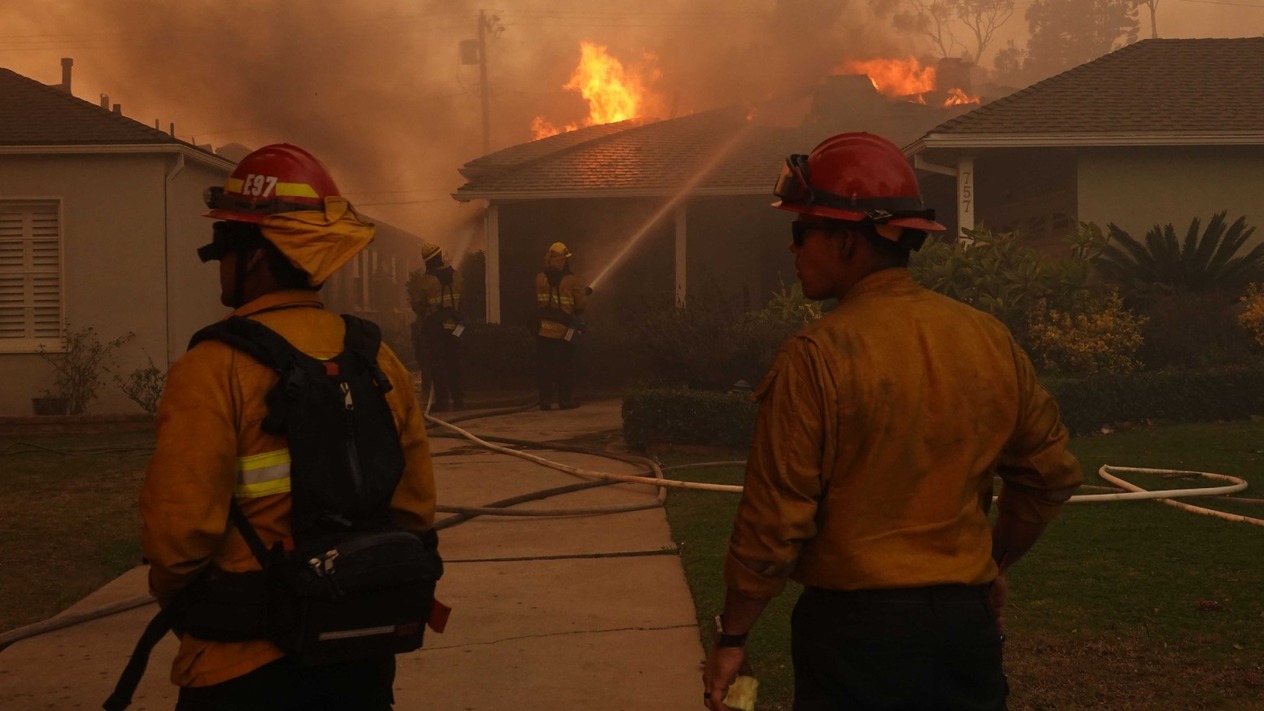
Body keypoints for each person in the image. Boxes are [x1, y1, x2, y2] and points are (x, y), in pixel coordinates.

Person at [701, 132, 1083, 711]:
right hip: (965, 629)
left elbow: (775, 520)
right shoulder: (988, 338)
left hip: (855, 635)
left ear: (847, 242)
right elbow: (1049, 475)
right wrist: (990, 565)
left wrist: (733, 637)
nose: (791, 248)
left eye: (801, 231)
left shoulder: (816, 356)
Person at [139, 144, 437, 710]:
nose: (217, 259)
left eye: (225, 238)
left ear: (255, 255)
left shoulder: (211, 368)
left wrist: (187, 601)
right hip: (358, 659)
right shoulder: (376, 360)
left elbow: (178, 539)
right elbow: (416, 510)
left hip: (241, 665)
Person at [408, 241, 465, 411]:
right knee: (455, 362)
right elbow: (463, 299)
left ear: (427, 261)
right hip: (457, 327)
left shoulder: (424, 282)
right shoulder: (457, 276)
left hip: (436, 329)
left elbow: (417, 306)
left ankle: (442, 402)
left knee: (437, 365)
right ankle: (458, 400)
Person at [534, 241, 588, 411]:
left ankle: (545, 401)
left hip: (543, 330)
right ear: (561, 260)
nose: (566, 262)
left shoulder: (540, 278)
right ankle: (565, 401)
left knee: (545, 367)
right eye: (564, 259)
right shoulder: (571, 280)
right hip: (564, 331)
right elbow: (580, 306)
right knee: (566, 366)